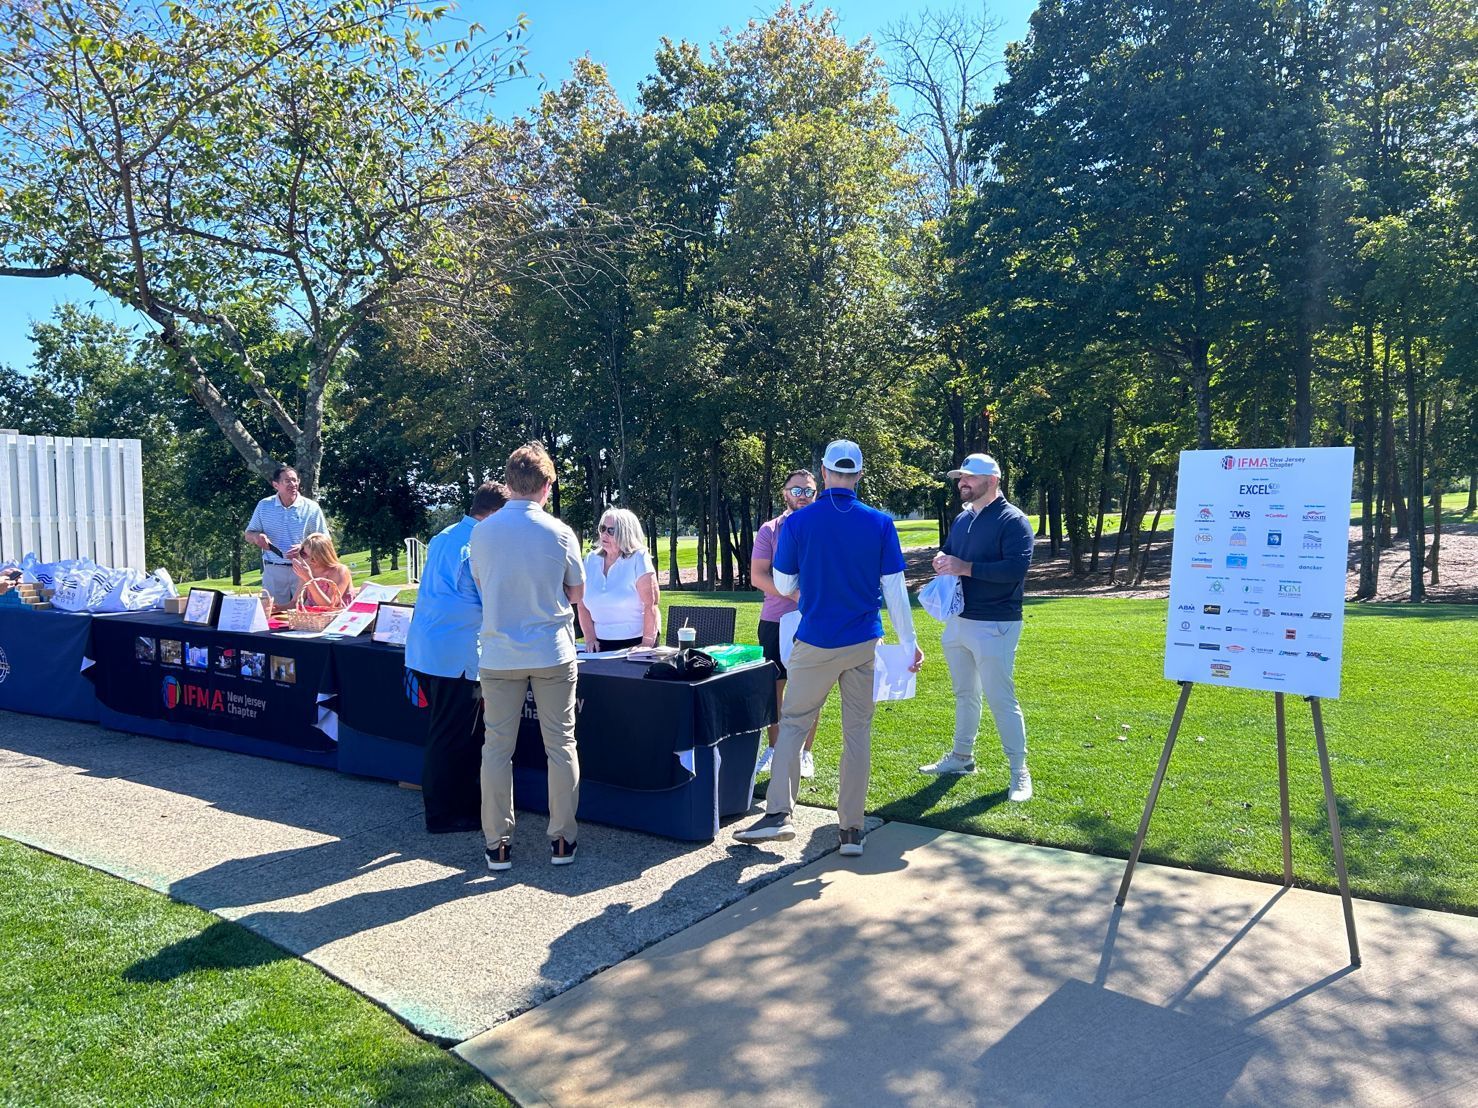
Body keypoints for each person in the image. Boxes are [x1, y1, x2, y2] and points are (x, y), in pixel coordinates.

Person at [734, 440, 923, 857]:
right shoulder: (879, 522)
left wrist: (811, 585)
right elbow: (894, 591)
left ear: (824, 473)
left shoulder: (800, 523)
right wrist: (909, 643)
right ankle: (851, 830)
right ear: (858, 475)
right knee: (857, 732)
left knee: (794, 723)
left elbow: (782, 585)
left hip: (815, 639)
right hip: (861, 642)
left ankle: (779, 815)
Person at [470, 442, 585, 871]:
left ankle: (497, 844)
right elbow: (576, 593)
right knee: (561, 745)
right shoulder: (559, 532)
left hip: (499, 652)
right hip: (551, 649)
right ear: (546, 485)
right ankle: (562, 840)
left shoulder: (482, 531)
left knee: (497, 749)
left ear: (510, 482)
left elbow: (483, 585)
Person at [921, 453, 1036, 802]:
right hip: (958, 621)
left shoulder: (1013, 521)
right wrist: (943, 560)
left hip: (995, 623)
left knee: (1002, 699)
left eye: (970, 478)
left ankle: (1019, 772)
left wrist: (964, 566)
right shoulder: (963, 518)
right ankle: (961, 757)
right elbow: (953, 553)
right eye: (960, 478)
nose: (962, 483)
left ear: (993, 480)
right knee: (964, 694)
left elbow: (1014, 571)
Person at [405, 481, 509, 834]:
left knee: (445, 732)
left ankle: (454, 807)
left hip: (428, 646)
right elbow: (487, 597)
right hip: (457, 651)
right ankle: (443, 815)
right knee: (451, 736)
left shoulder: (444, 535)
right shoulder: (478, 543)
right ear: (494, 513)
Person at [751, 469, 821, 778]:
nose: (802, 496)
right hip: (775, 620)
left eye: (808, 491)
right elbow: (758, 575)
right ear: (784, 493)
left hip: (815, 621)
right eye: (796, 490)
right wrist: (795, 595)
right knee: (774, 689)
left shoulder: (824, 528)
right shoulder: (770, 530)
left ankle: (805, 753)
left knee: (810, 690)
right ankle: (774, 748)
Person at [245, 464, 330, 608]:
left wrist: (304, 548)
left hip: (304, 569)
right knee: (272, 613)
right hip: (273, 570)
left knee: (306, 613)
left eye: (295, 480)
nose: (293, 484)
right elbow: (248, 534)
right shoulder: (264, 506)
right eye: (287, 481)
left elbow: (325, 540)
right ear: (275, 485)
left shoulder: (311, 507)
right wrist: (257, 537)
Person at [575, 508, 659, 652]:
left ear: (625, 533)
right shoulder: (591, 559)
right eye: (602, 528)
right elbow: (582, 606)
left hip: (636, 644)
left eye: (611, 530)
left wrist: (646, 644)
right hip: (600, 645)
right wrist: (589, 638)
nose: (604, 534)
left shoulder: (639, 558)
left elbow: (651, 605)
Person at [291, 532, 354, 607]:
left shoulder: (339, 571)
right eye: (303, 554)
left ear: (323, 556)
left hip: (341, 616)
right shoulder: (308, 571)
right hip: (318, 617)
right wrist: (278, 608)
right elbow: (295, 603)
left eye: (313, 558)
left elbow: (329, 606)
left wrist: (308, 578)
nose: (308, 560)